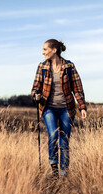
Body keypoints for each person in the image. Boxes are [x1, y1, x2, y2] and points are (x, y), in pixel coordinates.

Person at [31, 39, 87, 177]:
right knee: (53, 134)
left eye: (45, 49)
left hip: (66, 108)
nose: (42, 52)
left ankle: (63, 173)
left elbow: (77, 88)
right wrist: (36, 95)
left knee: (64, 139)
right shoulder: (42, 67)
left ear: (54, 50)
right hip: (48, 108)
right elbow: (35, 88)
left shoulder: (69, 66)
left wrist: (82, 107)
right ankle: (54, 164)